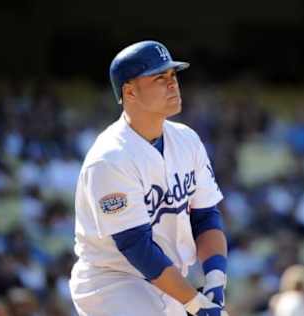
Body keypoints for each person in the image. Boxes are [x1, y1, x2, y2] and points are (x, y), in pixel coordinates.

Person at [69, 40, 229, 316]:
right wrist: (195, 303)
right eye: (159, 77)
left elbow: (205, 216)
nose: (172, 84)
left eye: (172, 75)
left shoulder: (186, 139)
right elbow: (136, 246)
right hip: (113, 282)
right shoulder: (110, 158)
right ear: (129, 92)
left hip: (166, 279)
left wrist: (215, 278)